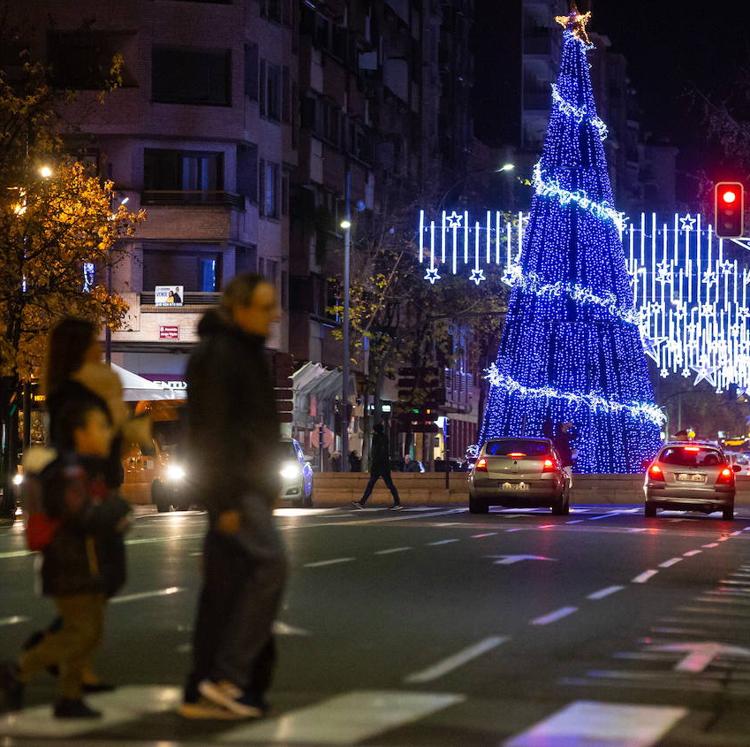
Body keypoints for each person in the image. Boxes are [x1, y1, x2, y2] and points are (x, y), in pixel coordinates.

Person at [181, 273, 287, 720]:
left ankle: (211, 688)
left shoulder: (244, 352)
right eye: (265, 307)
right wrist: (223, 501)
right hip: (236, 487)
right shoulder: (222, 356)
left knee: (229, 586)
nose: (276, 315)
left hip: (247, 486)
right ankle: (226, 678)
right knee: (270, 564)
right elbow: (211, 433)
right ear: (239, 308)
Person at [21, 317, 144, 694]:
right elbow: (86, 446)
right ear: (77, 348)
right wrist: (120, 429)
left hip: (96, 487)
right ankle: (53, 657)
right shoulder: (76, 396)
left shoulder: (76, 391)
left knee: (102, 581)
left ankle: (71, 661)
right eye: (91, 341)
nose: (97, 347)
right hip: (87, 492)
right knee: (95, 582)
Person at [1, 399, 130, 719]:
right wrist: (116, 512)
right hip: (68, 563)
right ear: (79, 432)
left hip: (83, 562)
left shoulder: (83, 464)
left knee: (90, 632)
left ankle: (68, 696)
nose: (104, 433)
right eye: (98, 427)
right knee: (81, 632)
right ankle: (18, 671)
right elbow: (80, 513)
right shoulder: (67, 468)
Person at [353, 423, 401, 509]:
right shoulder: (385, 438)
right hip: (384, 465)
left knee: (371, 484)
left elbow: (376, 452)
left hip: (378, 466)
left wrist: (374, 463)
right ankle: (397, 502)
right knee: (389, 485)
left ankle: (362, 502)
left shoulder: (377, 438)